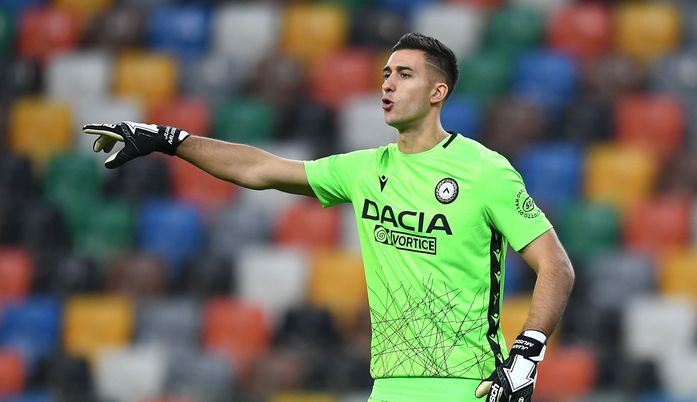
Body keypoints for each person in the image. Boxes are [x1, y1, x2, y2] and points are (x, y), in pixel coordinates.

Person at [84, 33, 574, 402]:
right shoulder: (365, 169)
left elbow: (556, 266)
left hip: (470, 384)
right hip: (389, 386)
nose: (388, 83)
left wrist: (526, 357)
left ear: (437, 92)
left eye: (405, 74)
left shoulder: (483, 170)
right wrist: (169, 139)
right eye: (386, 73)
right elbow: (260, 169)